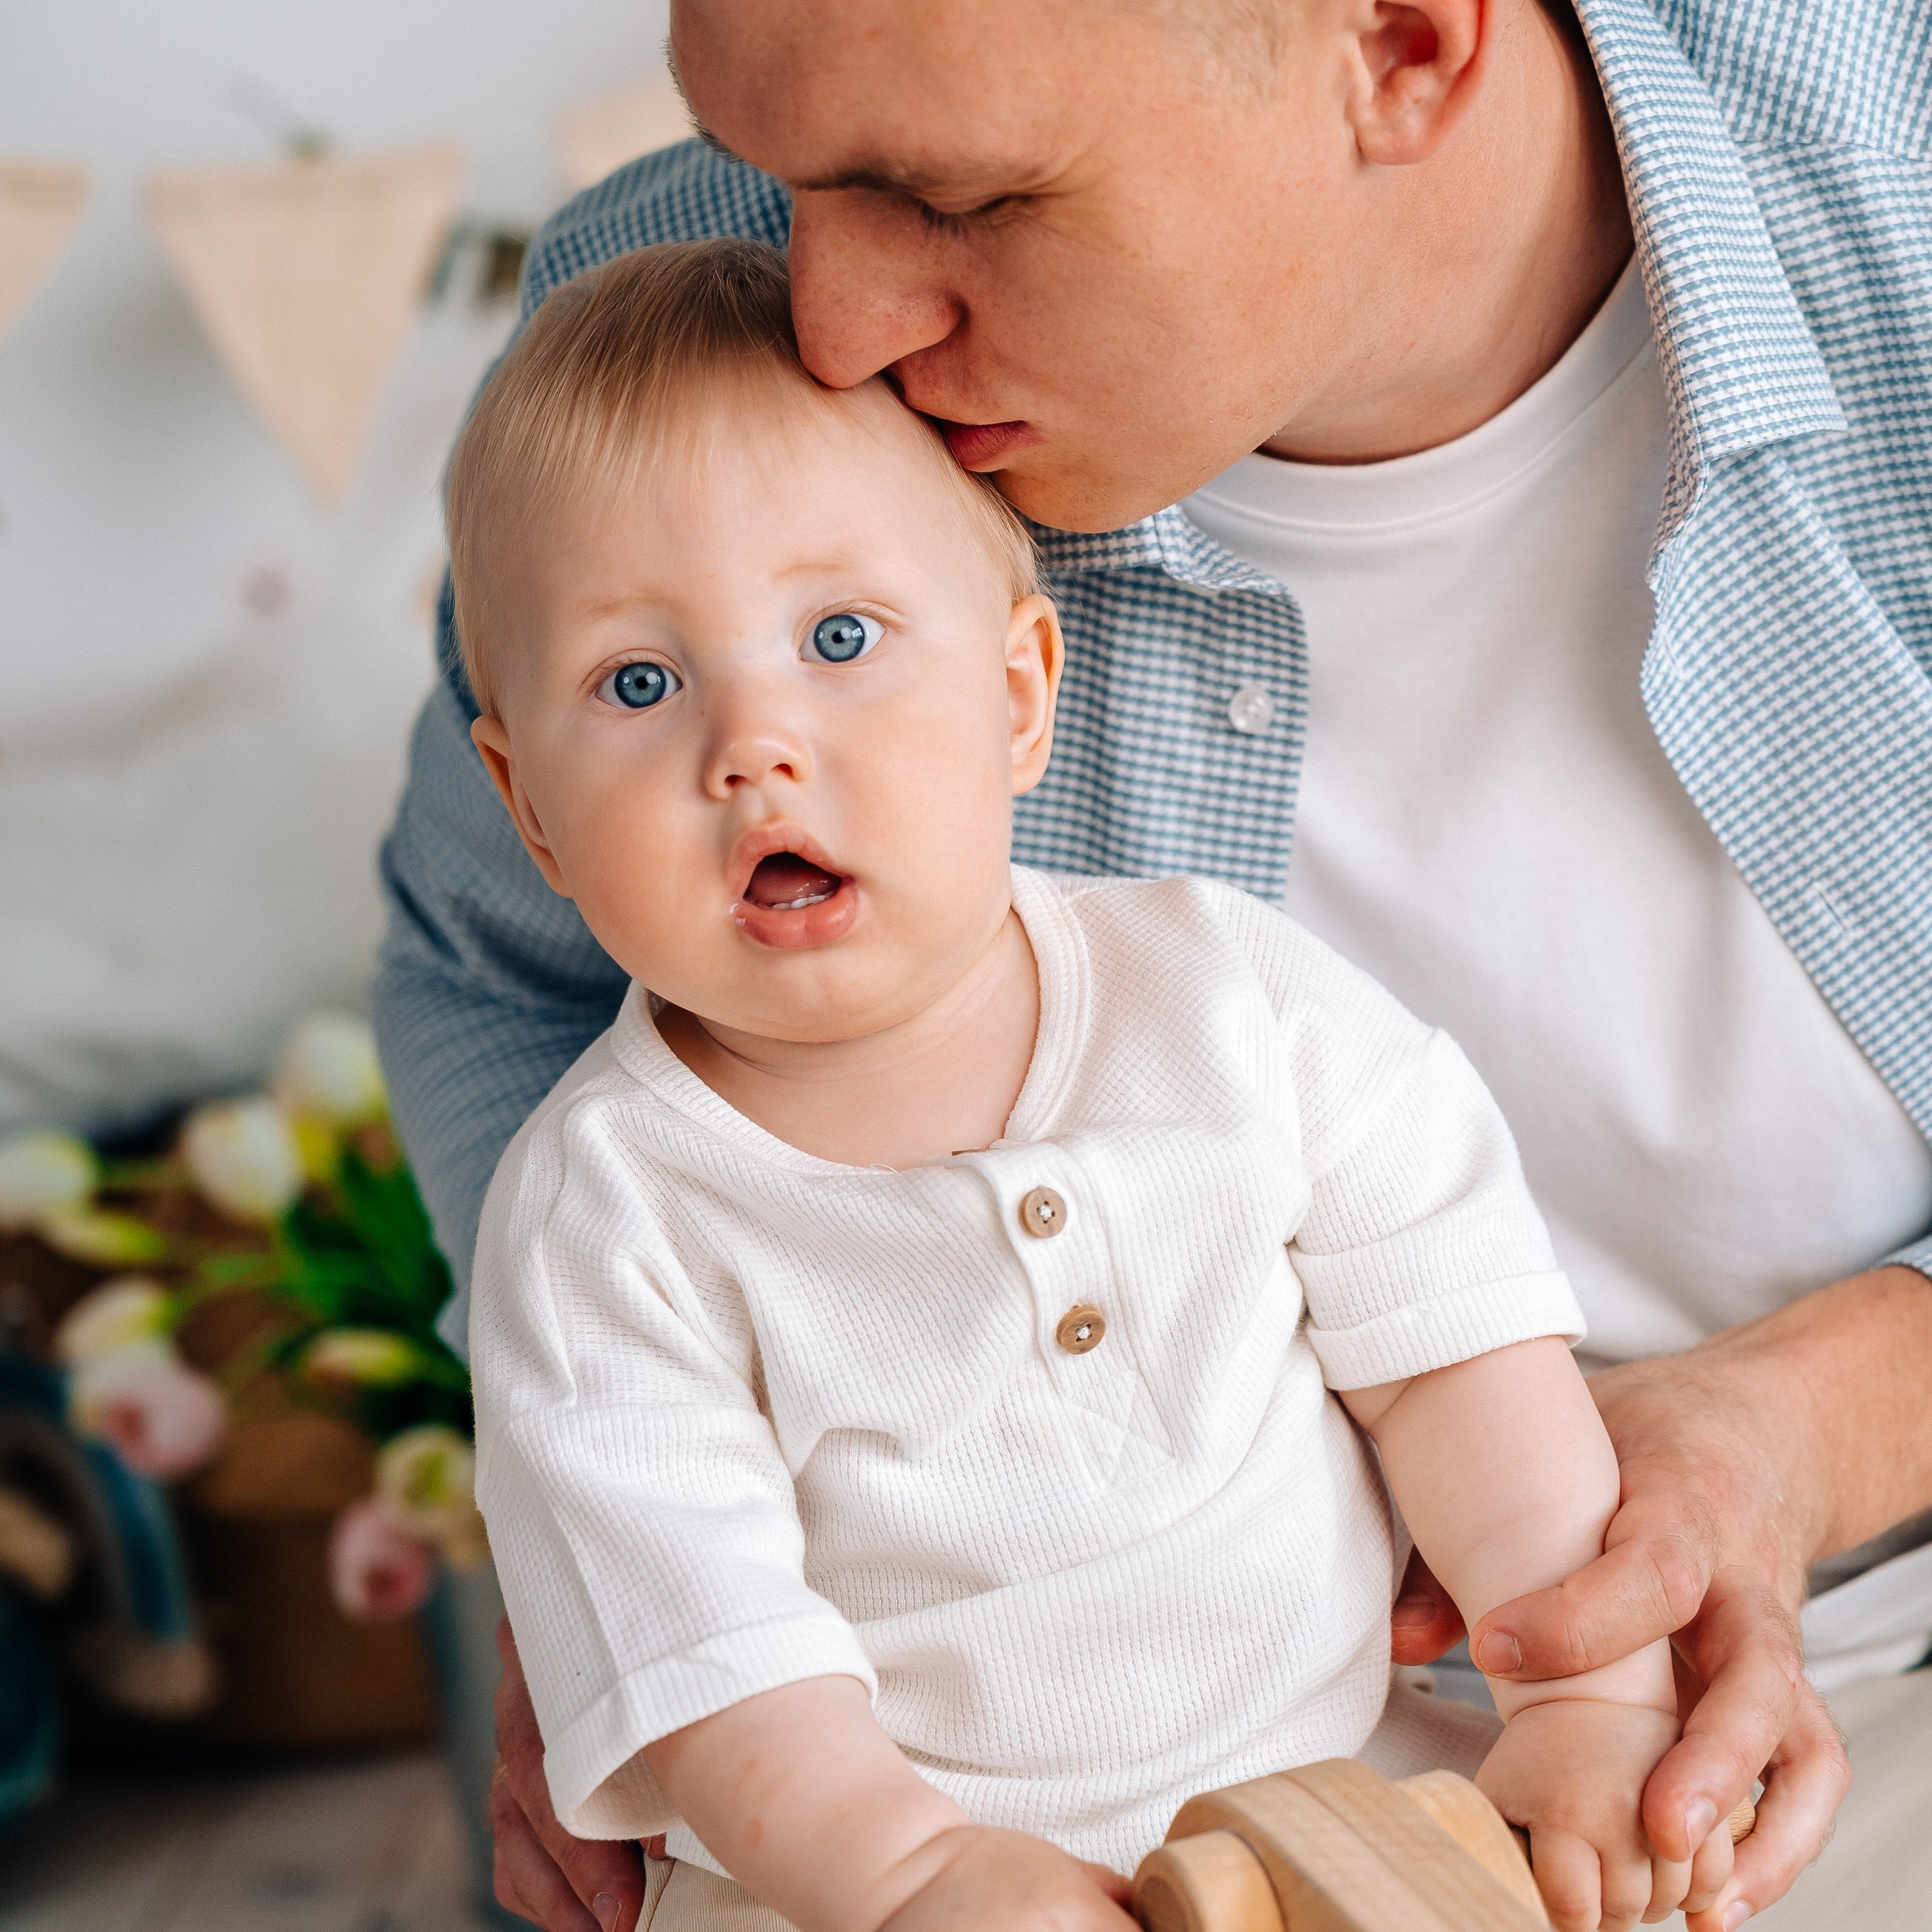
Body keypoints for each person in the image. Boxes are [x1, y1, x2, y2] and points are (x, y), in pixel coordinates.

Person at [369, 0, 1932, 1927]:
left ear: (1400, 45)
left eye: (959, 193)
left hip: (1814, 1658)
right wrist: (630, 1559)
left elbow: (1420, 1251)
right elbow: (494, 974)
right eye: (780, 164)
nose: (830, 320)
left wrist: (1804, 1434)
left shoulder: (1895, 170)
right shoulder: (674, 314)